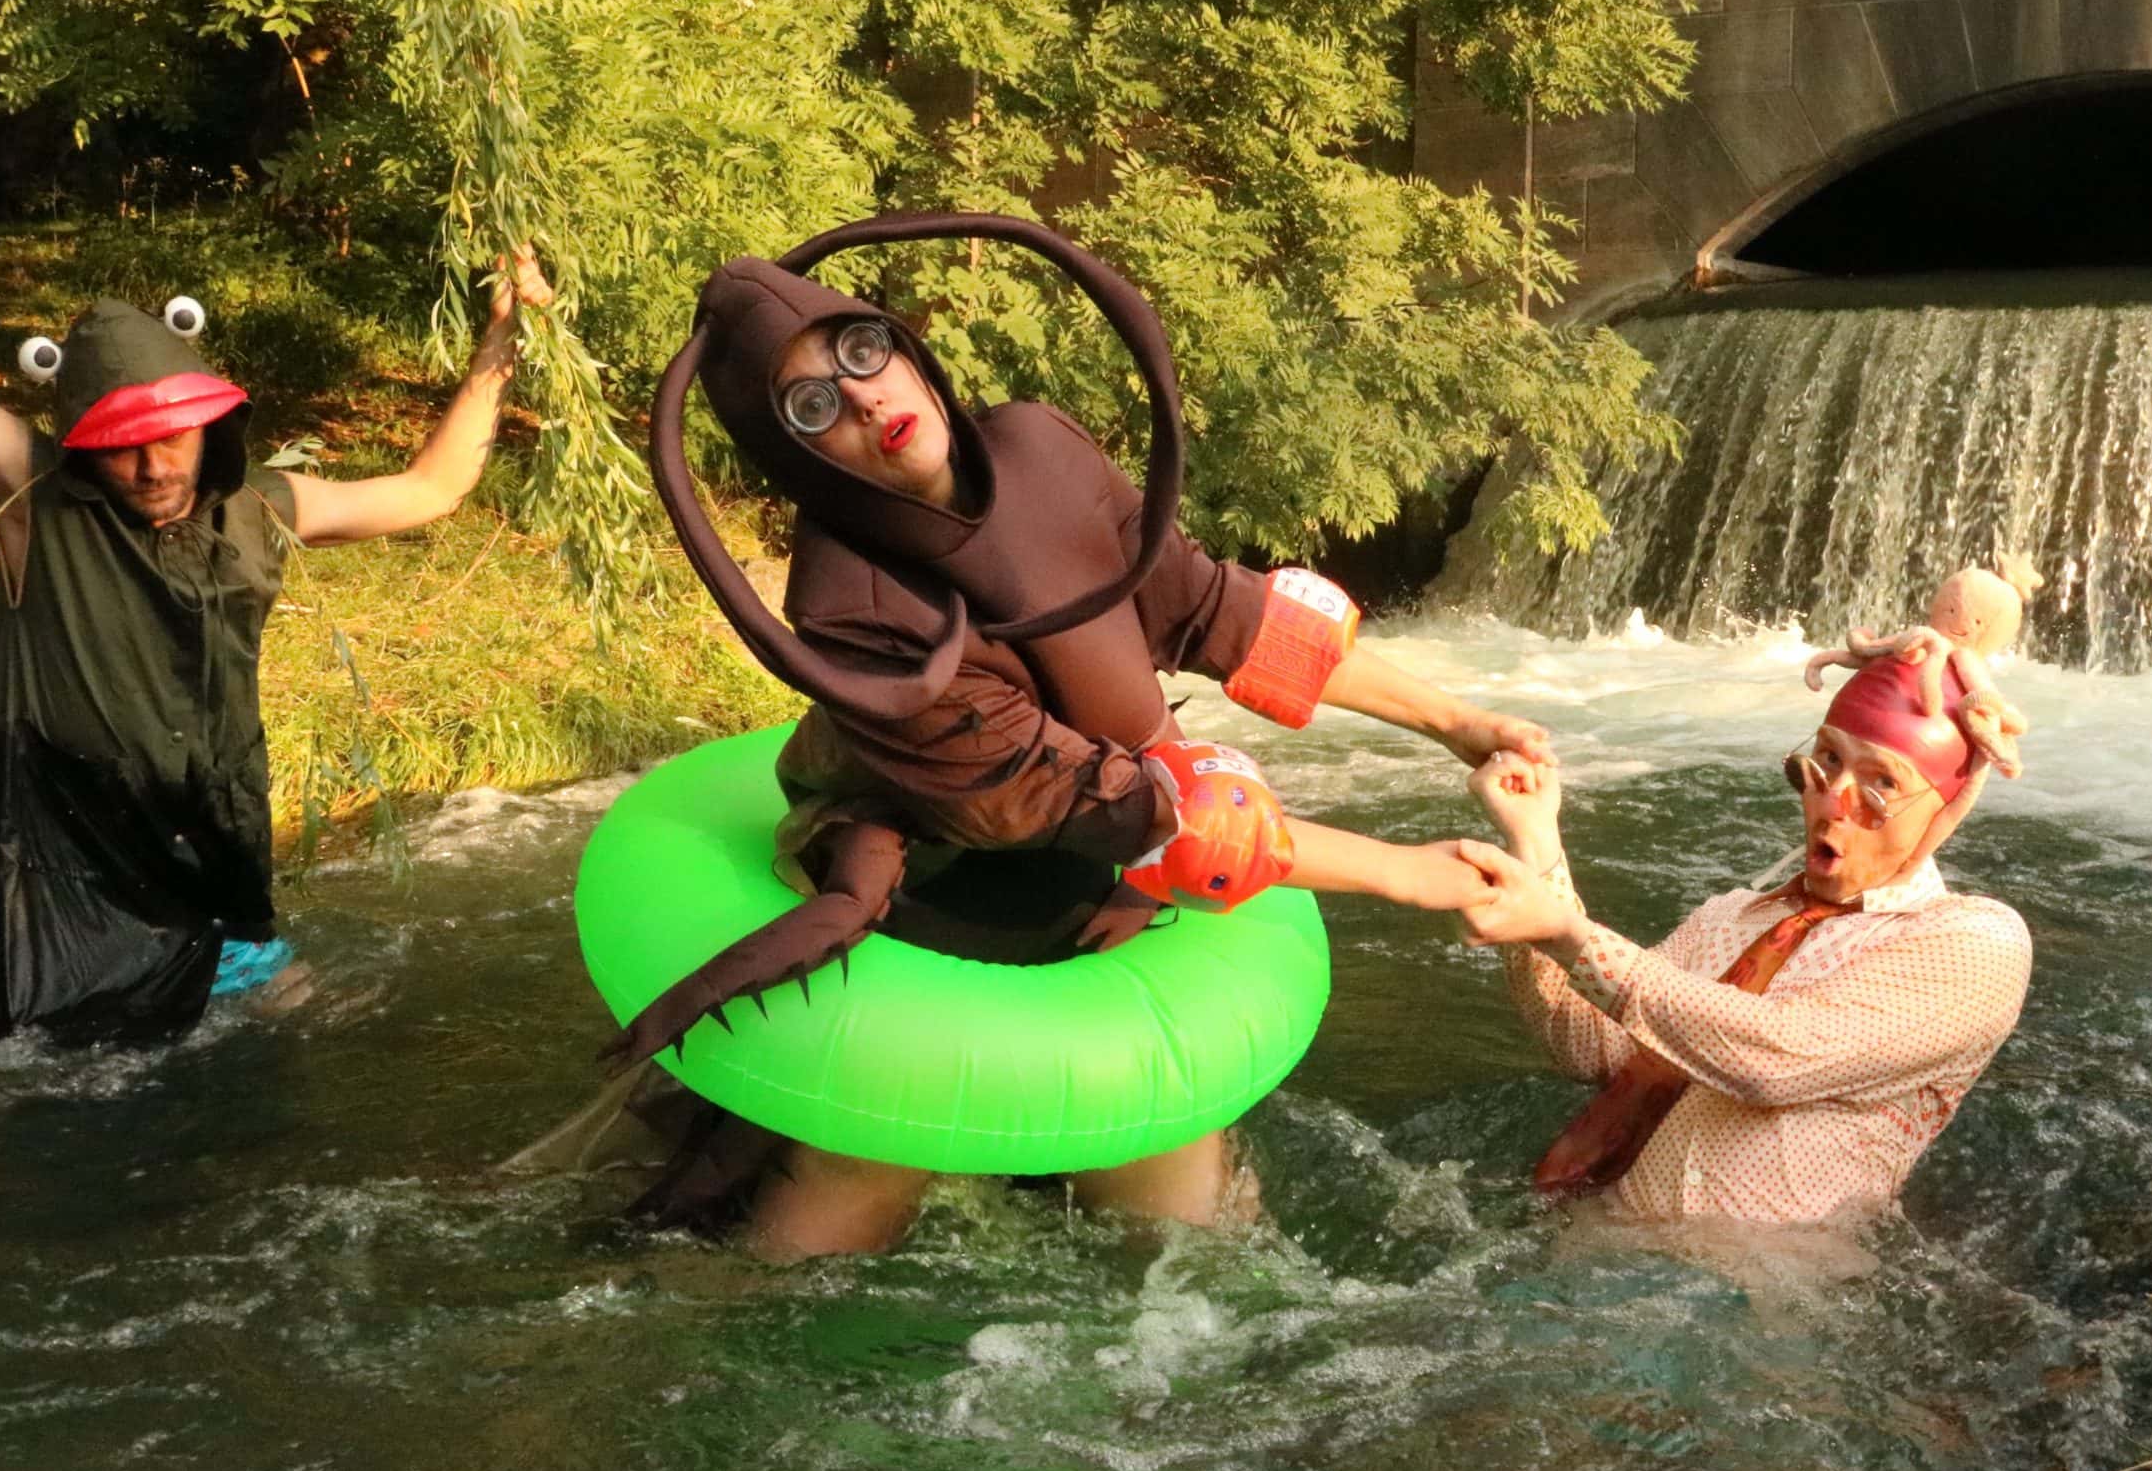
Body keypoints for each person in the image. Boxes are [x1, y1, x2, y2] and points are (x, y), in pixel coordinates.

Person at [538, 213, 1550, 1258]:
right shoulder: (857, 611)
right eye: (810, 406)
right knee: (822, 1237)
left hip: (1105, 892)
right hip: (924, 924)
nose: (862, 397)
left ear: (900, 344)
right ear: (790, 457)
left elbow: (1211, 610)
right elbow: (1084, 801)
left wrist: (1461, 724)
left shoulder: (1038, 446)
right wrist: (1402, 872)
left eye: (858, 352)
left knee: (1199, 1255)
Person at [0, 14, 551, 1048]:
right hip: (56, 898)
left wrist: (501, 343)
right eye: (119, 446)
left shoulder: (261, 511)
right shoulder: (33, 500)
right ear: (76, 445)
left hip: (208, 877)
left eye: (173, 439)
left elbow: (430, 490)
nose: (152, 466)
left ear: (214, 426)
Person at [1452, 650, 2034, 1224]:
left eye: (1881, 783)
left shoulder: (1975, 940)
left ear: (1943, 813)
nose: (1833, 799)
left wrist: (1570, 936)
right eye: (1827, 759)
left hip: (1763, 1290)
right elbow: (1593, 1048)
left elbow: (1776, 1056)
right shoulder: (1731, 915)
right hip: (1592, 1247)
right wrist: (1537, 847)